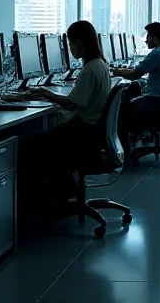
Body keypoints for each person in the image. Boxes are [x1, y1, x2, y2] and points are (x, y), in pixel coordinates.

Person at [15, 20, 112, 201]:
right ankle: (61, 190)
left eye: (70, 44)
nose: (70, 49)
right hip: (91, 134)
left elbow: (70, 104)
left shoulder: (90, 69)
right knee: (46, 136)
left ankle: (43, 201)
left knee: (27, 148)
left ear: (80, 43)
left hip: (82, 137)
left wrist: (43, 92)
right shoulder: (101, 65)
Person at [113, 22, 160, 128]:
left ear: (154, 37)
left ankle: (123, 142)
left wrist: (114, 71)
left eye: (148, 36)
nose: (146, 40)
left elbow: (134, 75)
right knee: (131, 90)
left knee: (120, 107)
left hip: (155, 100)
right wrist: (120, 70)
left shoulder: (157, 54)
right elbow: (137, 72)